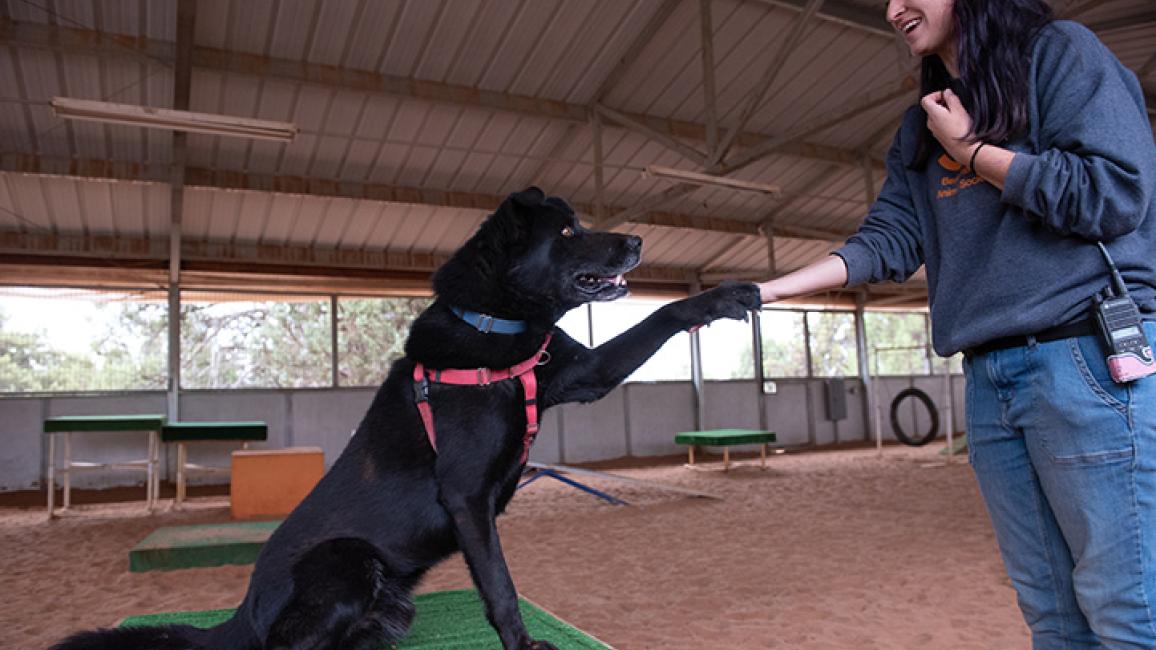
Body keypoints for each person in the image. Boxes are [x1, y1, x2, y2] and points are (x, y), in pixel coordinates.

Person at [755, 0, 1156, 647]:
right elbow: (888, 239)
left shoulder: (1060, 54)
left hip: (1082, 359)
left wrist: (973, 152)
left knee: (1127, 611)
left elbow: (1113, 192)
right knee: (1053, 617)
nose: (891, 10)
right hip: (989, 379)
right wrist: (762, 292)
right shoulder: (923, 125)